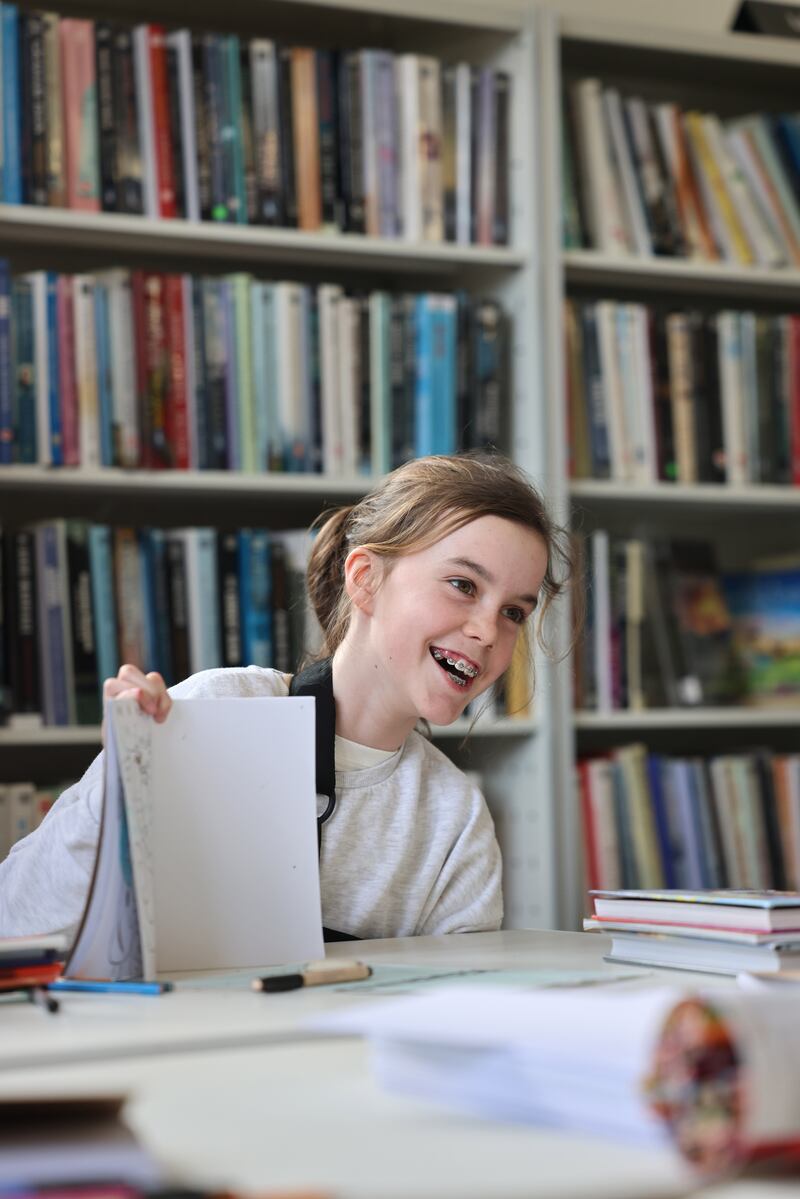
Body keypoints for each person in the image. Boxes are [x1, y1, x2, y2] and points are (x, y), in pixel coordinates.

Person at [0, 453, 568, 943]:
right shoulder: (217, 711)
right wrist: (118, 797)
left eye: (514, 612)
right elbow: (18, 920)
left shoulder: (456, 818)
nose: (489, 632)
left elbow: (460, 1013)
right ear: (366, 579)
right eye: (463, 585)